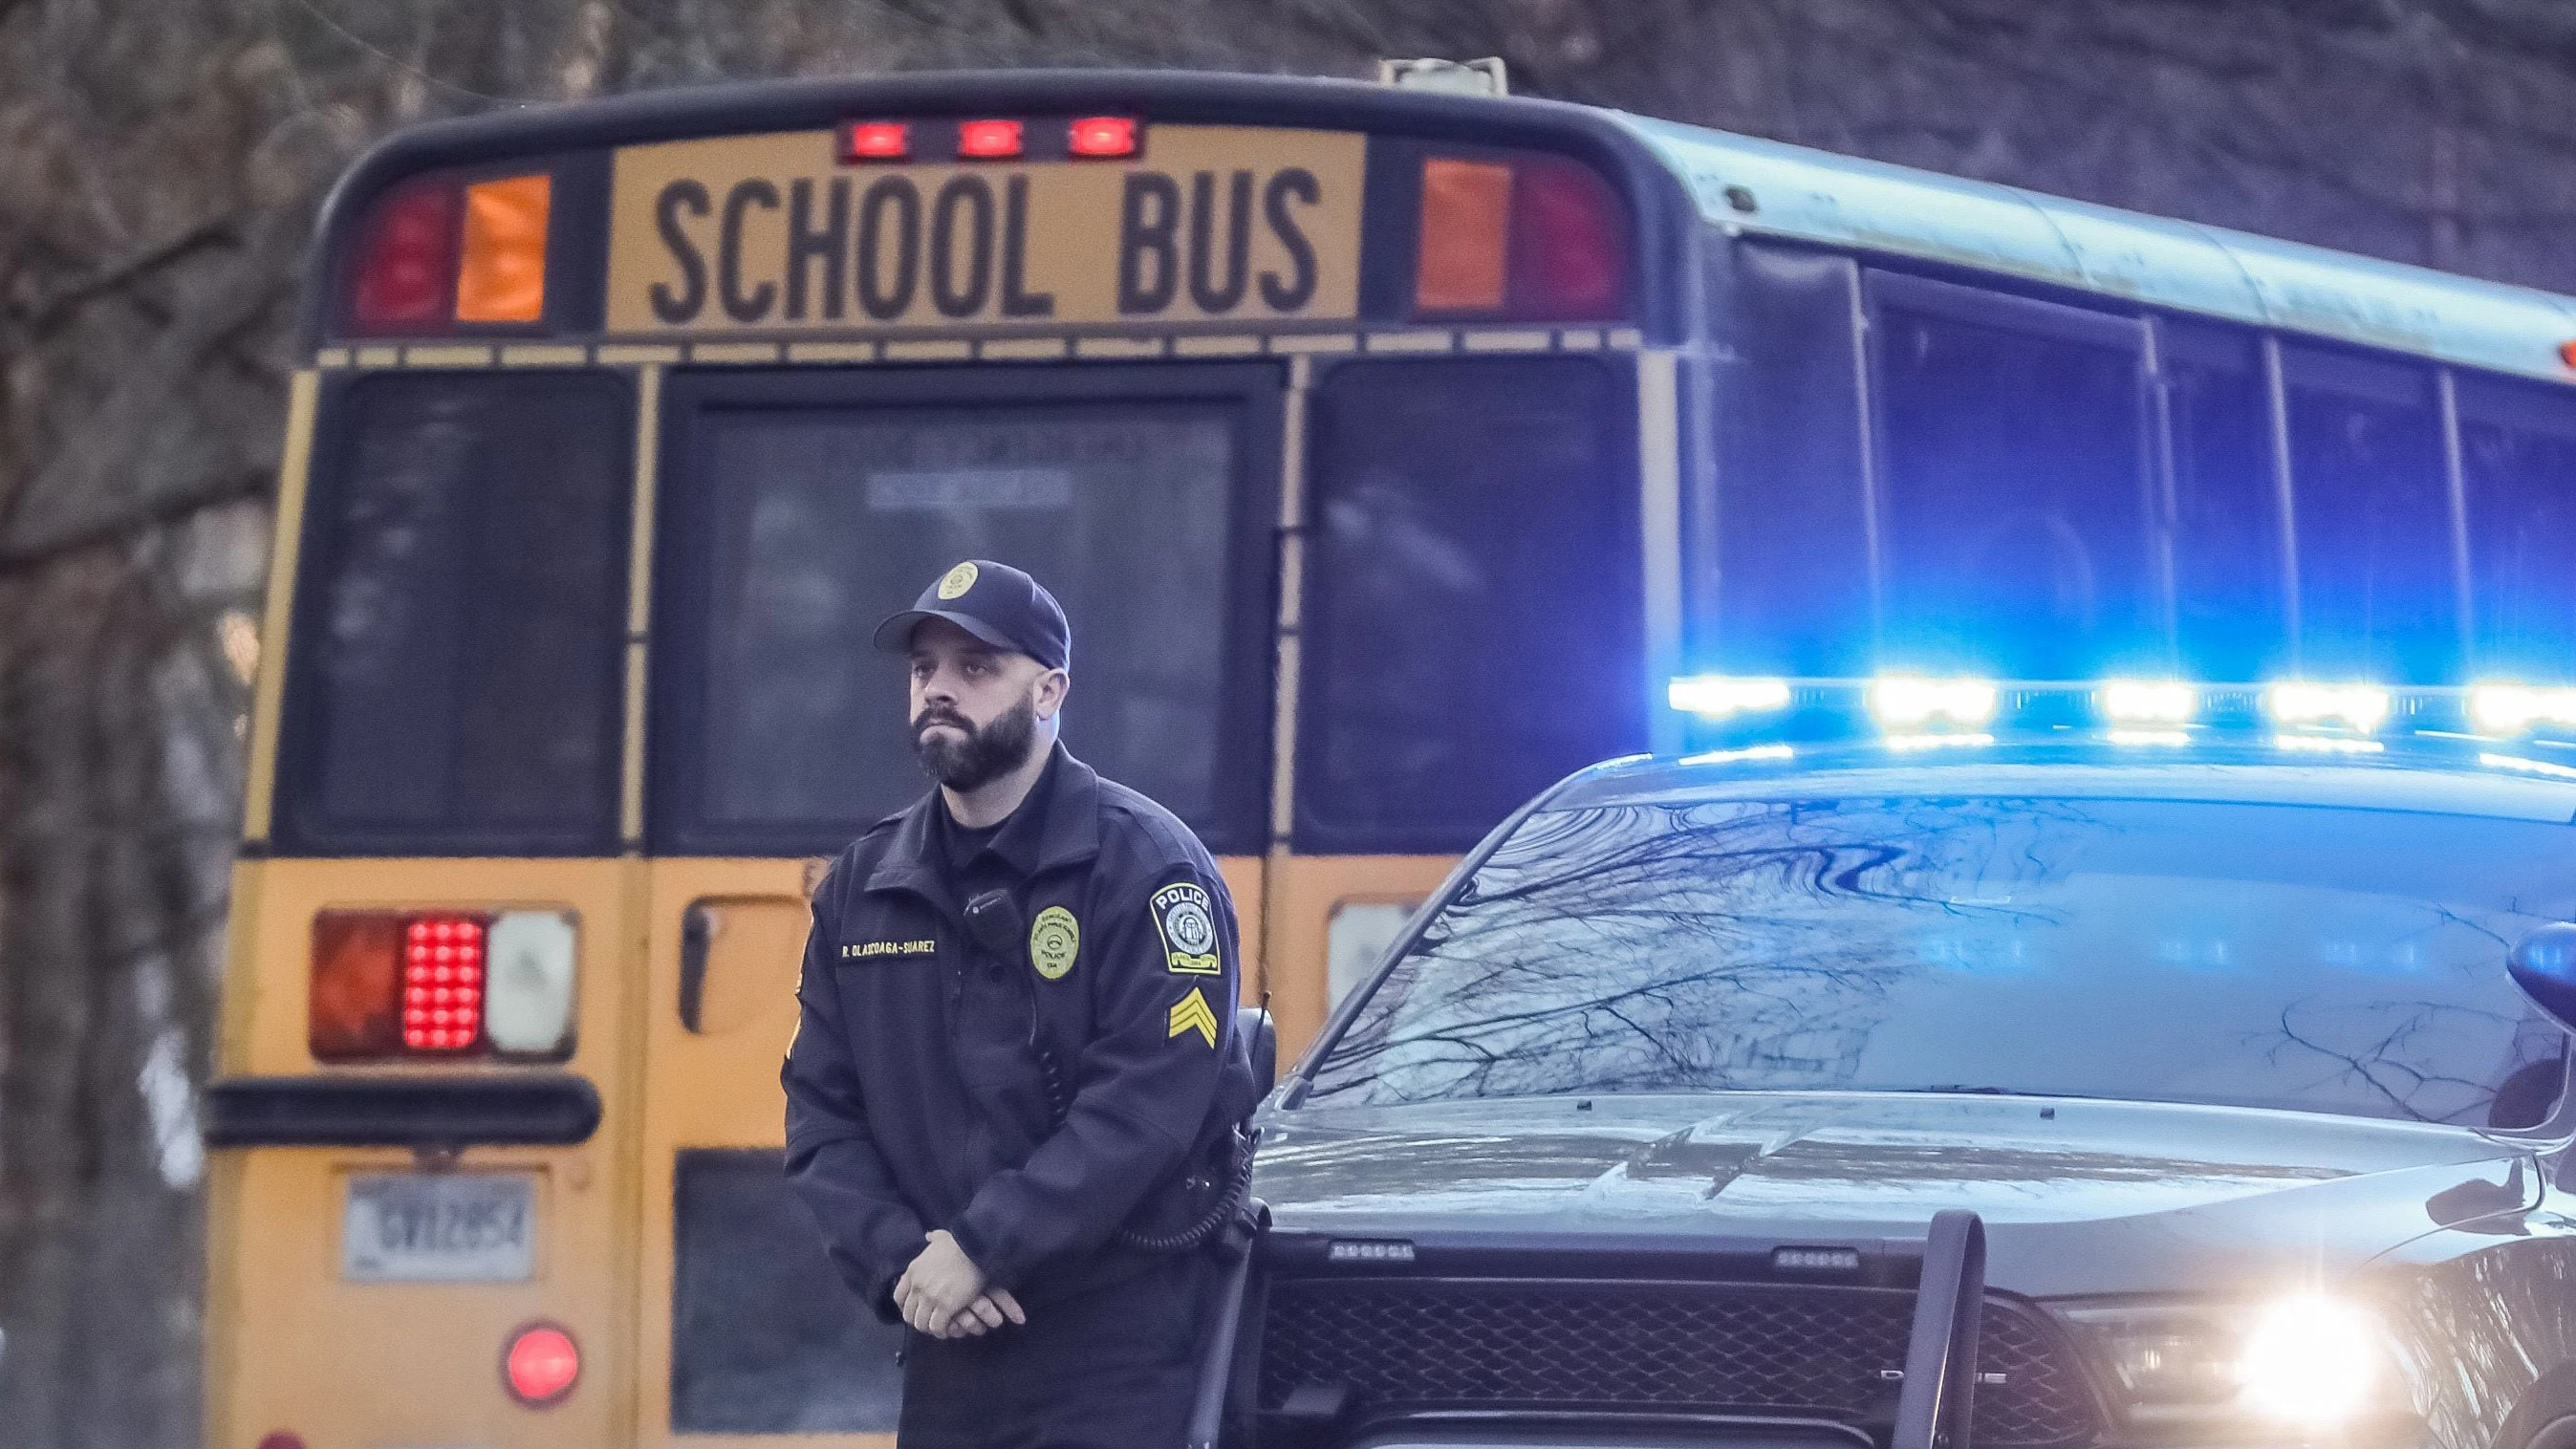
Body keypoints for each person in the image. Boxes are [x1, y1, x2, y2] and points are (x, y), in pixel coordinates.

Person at [783, 558, 1262, 1449]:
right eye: (925, 669)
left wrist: (982, 1247)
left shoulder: (1148, 867)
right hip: (949, 1338)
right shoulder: (865, 886)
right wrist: (908, 1267)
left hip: (1116, 1345)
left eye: (975, 668)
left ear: (1049, 691)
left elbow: (1148, 1105)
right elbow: (820, 1113)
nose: (938, 690)